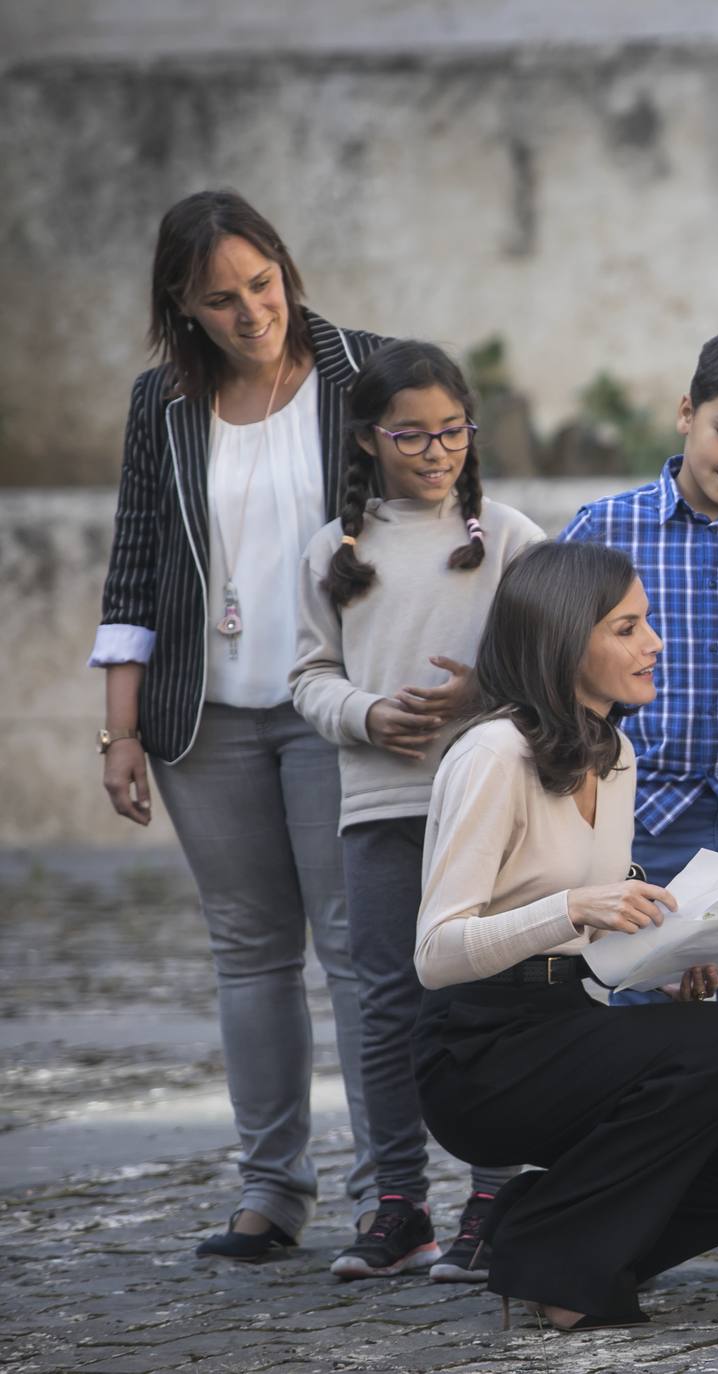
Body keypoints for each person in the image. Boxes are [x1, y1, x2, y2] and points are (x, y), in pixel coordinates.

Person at [411, 540, 718, 1330]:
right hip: (477, 1051)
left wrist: (665, 969)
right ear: (565, 640)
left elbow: (586, 951)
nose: (654, 644)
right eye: (627, 627)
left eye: (647, 624)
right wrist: (573, 907)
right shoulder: (493, 754)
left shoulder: (614, 753)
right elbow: (436, 955)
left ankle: (540, 1237)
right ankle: (564, 1266)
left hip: (567, 1020)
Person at [90, 188, 384, 1259]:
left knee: (355, 948)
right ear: (184, 305)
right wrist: (119, 730)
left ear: (286, 269)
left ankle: (385, 1194)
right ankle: (273, 1191)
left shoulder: (369, 374)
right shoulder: (160, 404)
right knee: (251, 951)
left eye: (262, 285)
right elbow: (133, 561)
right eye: (222, 300)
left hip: (329, 708)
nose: (252, 312)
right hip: (200, 718)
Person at [560, 324, 718, 1285]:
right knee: (614, 1004)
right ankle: (621, 1199)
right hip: (630, 814)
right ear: (685, 414)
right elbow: (552, 667)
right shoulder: (602, 530)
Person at [290, 340, 546, 1280]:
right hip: (379, 808)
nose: (435, 451)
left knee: (482, 996)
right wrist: (365, 712)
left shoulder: (512, 538)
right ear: (367, 440)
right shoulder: (334, 549)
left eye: (451, 432)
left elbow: (552, 657)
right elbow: (308, 676)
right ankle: (398, 1202)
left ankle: (493, 1194)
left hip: (487, 805)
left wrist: (482, 690)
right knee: (388, 1003)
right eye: (411, 435)